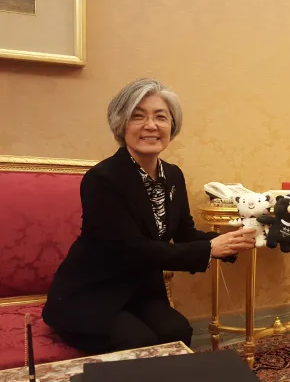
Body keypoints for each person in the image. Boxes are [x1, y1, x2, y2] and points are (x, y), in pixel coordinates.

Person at [42, 78, 256, 354]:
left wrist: (229, 242)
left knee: (177, 332)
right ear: (122, 124)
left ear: (172, 126)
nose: (151, 126)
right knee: (136, 341)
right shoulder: (102, 179)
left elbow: (184, 233)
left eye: (160, 117)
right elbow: (130, 250)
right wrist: (207, 250)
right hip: (91, 293)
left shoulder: (173, 175)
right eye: (138, 116)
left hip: (139, 290)